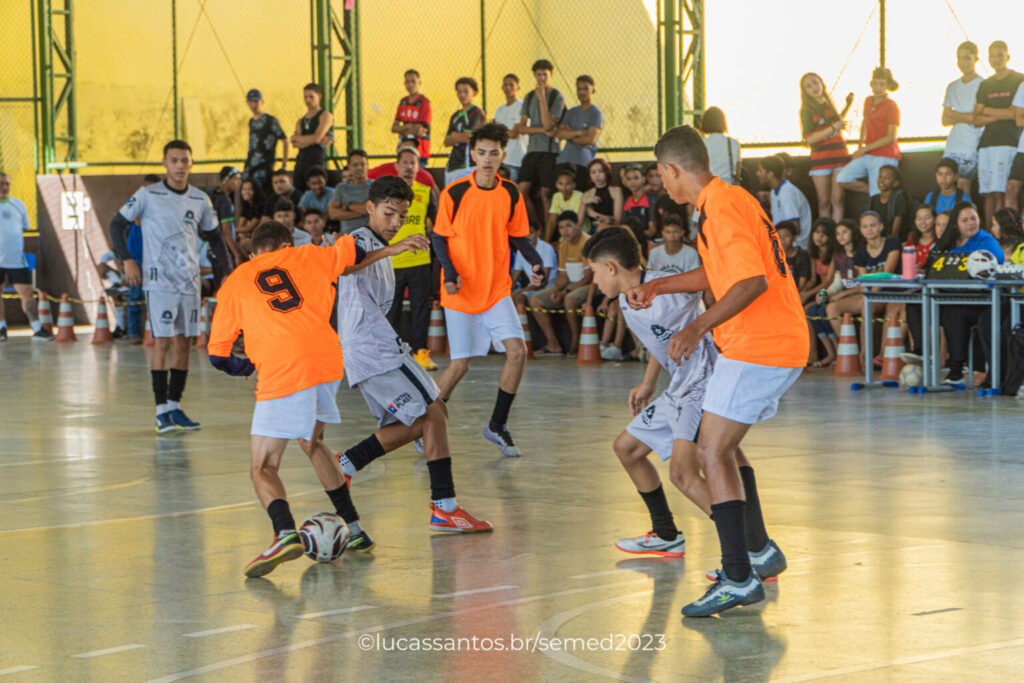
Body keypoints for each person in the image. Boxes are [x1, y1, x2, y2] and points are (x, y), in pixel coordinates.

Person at [627, 125, 802, 617]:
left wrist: (696, 328)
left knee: (712, 449)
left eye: (662, 176)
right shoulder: (728, 200)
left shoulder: (721, 210)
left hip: (760, 344)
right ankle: (760, 552)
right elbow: (717, 273)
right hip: (764, 343)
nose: (663, 186)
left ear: (672, 169)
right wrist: (662, 288)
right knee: (725, 445)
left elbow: (750, 282)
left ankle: (739, 576)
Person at [206, 220, 427, 576]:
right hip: (327, 362)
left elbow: (218, 356)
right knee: (313, 442)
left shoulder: (236, 280)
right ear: (287, 243)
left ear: (253, 253)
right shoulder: (309, 255)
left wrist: (246, 368)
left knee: (263, 466)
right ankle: (354, 530)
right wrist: (389, 249)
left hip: (282, 369)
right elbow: (353, 252)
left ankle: (283, 533)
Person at [330, 176, 494, 542]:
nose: (395, 222)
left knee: (426, 419)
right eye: (388, 213)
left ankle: (347, 463)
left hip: (372, 349)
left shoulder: (379, 245)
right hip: (374, 349)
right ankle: (445, 508)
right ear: (369, 208)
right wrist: (394, 249)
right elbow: (342, 266)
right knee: (433, 412)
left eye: (402, 216)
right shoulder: (356, 240)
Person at [584, 226, 717, 556]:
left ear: (612, 268)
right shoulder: (628, 301)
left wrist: (698, 328)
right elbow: (660, 341)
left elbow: (716, 280)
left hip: (704, 383)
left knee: (684, 474)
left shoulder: (667, 287)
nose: (595, 282)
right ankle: (666, 533)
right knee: (627, 449)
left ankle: (749, 547)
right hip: (680, 385)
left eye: (594, 272)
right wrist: (649, 381)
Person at [431, 122, 545, 457]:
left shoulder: (510, 192)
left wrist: (535, 260)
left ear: (502, 156)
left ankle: (497, 425)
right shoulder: (455, 192)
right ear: (472, 154)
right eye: (481, 152)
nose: (486, 159)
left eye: (493, 153)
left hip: (496, 290)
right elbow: (439, 237)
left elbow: (518, 236)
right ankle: (425, 424)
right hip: (460, 291)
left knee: (518, 352)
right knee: (459, 366)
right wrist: (450, 273)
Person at [108, 140, 226, 433]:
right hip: (159, 283)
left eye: (185, 160)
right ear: (164, 163)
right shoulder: (148, 195)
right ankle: (160, 411)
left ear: (191, 163)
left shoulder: (199, 199)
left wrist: (226, 274)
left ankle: (175, 406)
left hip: (189, 283)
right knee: (162, 343)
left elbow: (216, 236)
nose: (180, 165)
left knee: (184, 343)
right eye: (174, 160)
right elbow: (115, 225)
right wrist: (128, 261)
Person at [934, 202, 1005, 385]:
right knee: (949, 313)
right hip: (960, 298)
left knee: (980, 319)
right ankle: (955, 372)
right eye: (964, 220)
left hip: (990, 299)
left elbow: (993, 266)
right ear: (956, 223)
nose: (970, 223)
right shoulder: (949, 241)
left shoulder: (986, 240)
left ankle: (994, 374)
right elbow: (934, 265)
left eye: (973, 218)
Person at [387, 147, 440, 371]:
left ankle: (420, 354)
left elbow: (438, 224)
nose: (409, 167)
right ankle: (391, 354)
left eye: (413, 163)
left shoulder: (426, 192)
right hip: (392, 261)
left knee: (421, 309)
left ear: (419, 167)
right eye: (405, 162)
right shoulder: (387, 194)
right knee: (391, 310)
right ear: (397, 166)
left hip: (419, 260)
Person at [824, 211, 901, 349]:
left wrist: (869, 296)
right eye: (865, 226)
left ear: (881, 227)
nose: (869, 229)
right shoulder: (861, 253)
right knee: (831, 308)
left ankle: (864, 355)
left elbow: (886, 274)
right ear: (860, 230)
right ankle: (849, 350)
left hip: (889, 292)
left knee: (866, 305)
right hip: (870, 294)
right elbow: (863, 281)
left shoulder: (892, 243)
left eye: (873, 225)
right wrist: (863, 294)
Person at [973, 42, 1024, 226]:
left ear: (1007, 57)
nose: (996, 59)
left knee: (1001, 192)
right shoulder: (986, 84)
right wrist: (1001, 113)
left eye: (1000, 55)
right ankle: (989, 233)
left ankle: (1003, 233)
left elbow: (1015, 115)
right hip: (986, 144)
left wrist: (988, 110)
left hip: (1008, 142)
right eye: (992, 56)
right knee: (988, 194)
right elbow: (976, 118)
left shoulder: (1019, 80)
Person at [529, 211, 591, 356]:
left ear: (578, 225)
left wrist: (565, 292)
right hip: (570, 285)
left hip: (587, 285)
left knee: (569, 300)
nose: (565, 231)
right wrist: (557, 290)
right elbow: (563, 275)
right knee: (535, 300)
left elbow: (588, 277)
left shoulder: (586, 242)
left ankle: (575, 343)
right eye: (561, 228)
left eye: (568, 226)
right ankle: (553, 343)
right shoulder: (563, 245)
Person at [516, 59, 567, 224]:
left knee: (546, 193)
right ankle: (536, 228)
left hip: (550, 152)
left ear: (551, 75)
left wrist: (542, 99)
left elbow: (548, 123)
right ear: (534, 75)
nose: (541, 78)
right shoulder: (529, 97)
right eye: (538, 74)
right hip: (532, 151)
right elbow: (521, 128)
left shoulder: (556, 97)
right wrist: (542, 131)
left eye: (545, 74)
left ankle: (548, 235)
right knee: (521, 191)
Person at [0, 172, 50, 341]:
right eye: (1, 183)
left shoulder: (18, 205)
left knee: (27, 293)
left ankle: (37, 329)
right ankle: (1, 328)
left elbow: (22, 230)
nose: (4, 187)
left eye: (7, 183)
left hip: (16, 260)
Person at [837, 67, 901, 197]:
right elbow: (865, 122)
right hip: (868, 153)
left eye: (882, 84)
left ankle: (878, 194)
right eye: (875, 83)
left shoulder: (891, 105)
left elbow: (890, 137)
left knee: (877, 194)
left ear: (887, 86)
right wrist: (860, 146)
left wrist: (864, 150)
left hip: (885, 155)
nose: (877, 87)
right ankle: (876, 191)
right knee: (842, 178)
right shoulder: (868, 101)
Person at [799, 72, 854, 219]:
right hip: (821, 159)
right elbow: (809, 138)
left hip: (839, 155)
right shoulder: (806, 110)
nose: (814, 88)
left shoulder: (829, 104)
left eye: (815, 83)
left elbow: (835, 123)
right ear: (805, 91)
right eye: (809, 86)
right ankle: (825, 234)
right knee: (824, 201)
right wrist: (833, 128)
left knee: (838, 198)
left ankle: (838, 234)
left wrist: (847, 106)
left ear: (822, 83)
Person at [942, 42, 984, 195]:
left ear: (976, 59)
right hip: (953, 145)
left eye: (967, 58)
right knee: (948, 187)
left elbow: (978, 119)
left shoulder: (983, 85)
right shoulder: (952, 86)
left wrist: (955, 115)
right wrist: (967, 116)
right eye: (959, 59)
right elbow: (944, 120)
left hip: (970, 145)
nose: (963, 63)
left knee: (963, 186)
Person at [555, 75, 603, 190]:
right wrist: (580, 132)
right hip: (564, 160)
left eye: (585, 88)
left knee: (579, 197)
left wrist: (570, 134)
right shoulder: (571, 112)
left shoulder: (596, 113)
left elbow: (589, 140)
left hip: (582, 163)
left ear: (593, 90)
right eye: (579, 88)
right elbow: (560, 134)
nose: (582, 92)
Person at [803, 217, 839, 367]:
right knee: (805, 310)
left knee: (813, 310)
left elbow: (828, 281)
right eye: (816, 232)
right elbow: (812, 279)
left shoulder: (835, 253)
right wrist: (802, 292)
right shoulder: (813, 253)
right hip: (819, 291)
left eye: (824, 234)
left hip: (831, 291)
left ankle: (833, 352)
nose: (819, 236)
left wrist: (807, 294)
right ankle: (814, 353)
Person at [758, 155, 812, 249]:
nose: (757, 173)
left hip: (796, 247)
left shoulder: (787, 192)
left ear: (770, 174)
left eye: (760, 170)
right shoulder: (774, 190)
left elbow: (795, 228)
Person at [242, 89, 288, 193]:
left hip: (265, 165)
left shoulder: (270, 121)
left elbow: (285, 139)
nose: (253, 105)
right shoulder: (251, 121)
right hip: (250, 164)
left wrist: (284, 163)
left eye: (255, 101)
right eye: (250, 102)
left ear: (262, 102)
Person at [290, 83, 334, 193]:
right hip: (301, 161)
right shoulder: (301, 120)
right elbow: (294, 143)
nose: (308, 100)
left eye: (311, 97)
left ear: (319, 96)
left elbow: (316, 138)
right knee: (299, 192)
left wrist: (301, 138)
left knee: (316, 191)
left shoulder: (325, 115)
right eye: (305, 97)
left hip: (316, 160)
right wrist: (313, 139)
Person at [443, 77, 486, 186]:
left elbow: (470, 137)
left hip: (469, 166)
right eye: (459, 91)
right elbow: (447, 141)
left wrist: (455, 136)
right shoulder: (455, 116)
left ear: (474, 92)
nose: (462, 95)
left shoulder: (476, 113)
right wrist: (458, 137)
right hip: (453, 166)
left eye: (466, 91)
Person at [510, 220, 557, 307]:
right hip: (532, 287)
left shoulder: (546, 248)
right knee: (509, 298)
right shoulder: (521, 251)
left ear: (538, 233)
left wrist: (520, 291)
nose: (527, 237)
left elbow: (543, 281)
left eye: (530, 233)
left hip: (548, 287)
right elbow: (514, 278)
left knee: (519, 296)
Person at [368, 138, 438, 192]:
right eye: (405, 147)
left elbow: (437, 196)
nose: (409, 166)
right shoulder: (382, 170)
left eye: (412, 147)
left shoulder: (425, 176)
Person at [392, 69, 432, 164]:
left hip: (420, 151)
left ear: (419, 82)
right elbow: (394, 128)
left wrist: (403, 129)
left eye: (413, 81)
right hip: (403, 148)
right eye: (407, 81)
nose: (410, 85)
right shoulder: (403, 102)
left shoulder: (424, 103)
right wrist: (410, 127)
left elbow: (419, 130)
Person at [328, 150, 372, 234]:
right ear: (349, 167)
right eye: (355, 165)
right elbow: (333, 214)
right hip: (347, 238)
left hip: (370, 236)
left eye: (362, 164)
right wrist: (364, 211)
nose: (359, 168)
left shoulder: (375, 186)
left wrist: (348, 206)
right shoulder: (341, 187)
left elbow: (375, 209)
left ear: (367, 165)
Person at [494, 74, 527, 182]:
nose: (508, 87)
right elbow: (495, 133)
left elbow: (514, 134)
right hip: (502, 160)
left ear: (518, 87)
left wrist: (499, 130)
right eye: (505, 85)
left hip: (517, 160)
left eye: (511, 85)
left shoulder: (522, 107)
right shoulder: (499, 110)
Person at [210, 166, 243, 268]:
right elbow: (226, 231)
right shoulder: (225, 200)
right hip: (223, 246)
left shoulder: (214, 195)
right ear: (226, 180)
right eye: (236, 179)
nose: (239, 182)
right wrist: (237, 254)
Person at [868, 165, 913, 240]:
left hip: (893, 241)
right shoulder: (873, 199)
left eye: (887, 178)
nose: (881, 180)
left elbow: (895, 231)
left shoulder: (898, 198)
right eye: (880, 177)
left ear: (895, 183)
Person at [700, 107, 740, 185]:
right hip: (728, 187)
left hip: (709, 187)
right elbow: (737, 172)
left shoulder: (701, 143)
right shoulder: (733, 143)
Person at [580, 158, 623, 230]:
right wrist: (584, 204)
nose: (597, 175)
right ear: (590, 175)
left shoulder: (616, 191)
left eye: (600, 171)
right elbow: (579, 222)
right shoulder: (586, 194)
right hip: (593, 229)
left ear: (607, 172)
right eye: (593, 172)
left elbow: (617, 220)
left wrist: (593, 214)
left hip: (611, 228)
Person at [622, 164, 659, 239]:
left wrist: (634, 236)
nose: (632, 182)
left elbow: (652, 230)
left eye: (636, 178)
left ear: (643, 179)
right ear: (625, 182)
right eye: (629, 179)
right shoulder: (626, 202)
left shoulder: (652, 199)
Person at [546, 167, 583, 241]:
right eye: (560, 184)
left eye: (568, 184)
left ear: (574, 185)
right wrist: (546, 242)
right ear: (556, 184)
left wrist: (564, 241)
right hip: (565, 231)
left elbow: (577, 222)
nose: (564, 187)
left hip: (580, 230)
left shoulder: (579, 196)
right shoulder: (556, 196)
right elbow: (552, 220)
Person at [775, 221, 810, 292]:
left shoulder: (802, 256)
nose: (782, 240)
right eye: (779, 236)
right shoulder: (775, 255)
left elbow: (802, 284)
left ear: (794, 237)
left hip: (795, 293)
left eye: (786, 236)